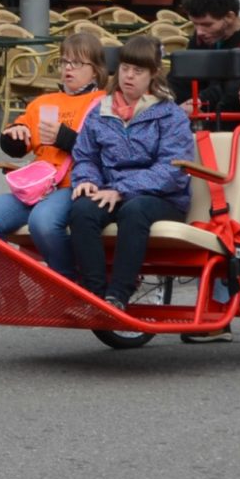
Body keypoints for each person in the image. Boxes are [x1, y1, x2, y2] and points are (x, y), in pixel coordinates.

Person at [66, 35, 196, 311]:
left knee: (134, 210)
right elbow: (85, 155)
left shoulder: (170, 115)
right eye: (125, 68)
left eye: (138, 71)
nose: (129, 76)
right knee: (82, 210)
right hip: (111, 190)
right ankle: (93, 292)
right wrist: (87, 181)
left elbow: (171, 169)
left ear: (153, 74)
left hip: (163, 197)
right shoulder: (100, 112)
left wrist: (122, 189)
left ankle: (118, 294)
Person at [0, 32, 109, 276]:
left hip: (75, 185)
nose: (68, 68)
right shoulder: (44, 101)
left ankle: (70, 283)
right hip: (38, 187)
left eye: (77, 63)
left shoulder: (104, 102)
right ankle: (10, 289)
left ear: (95, 70)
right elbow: (17, 145)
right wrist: (16, 134)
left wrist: (64, 138)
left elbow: (108, 150)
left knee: (42, 223)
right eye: (64, 62)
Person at [179, 0, 240, 128]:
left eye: (207, 25)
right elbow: (183, 82)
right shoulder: (201, 38)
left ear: (229, 16)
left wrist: (200, 99)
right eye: (195, 24)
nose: (199, 31)